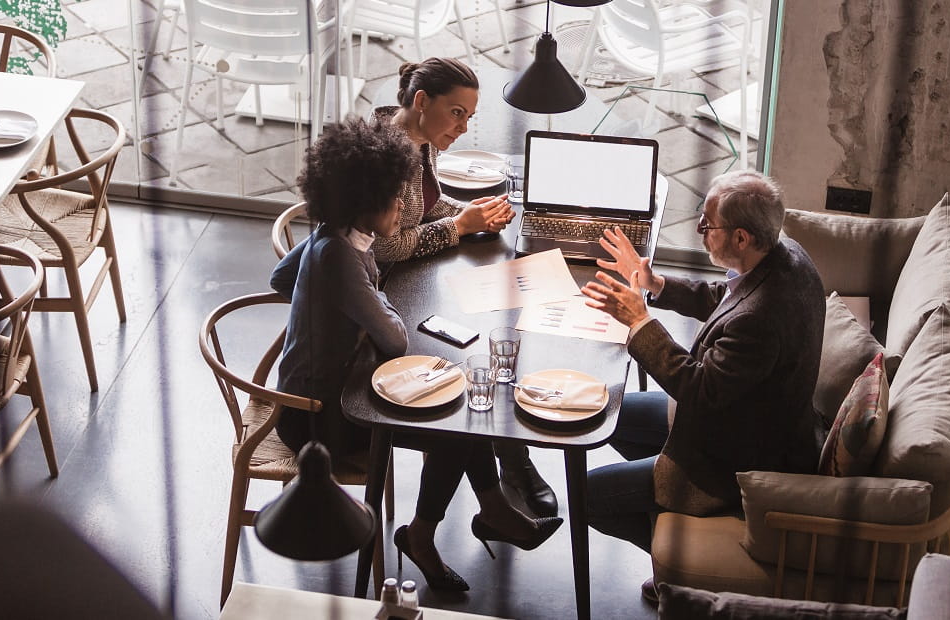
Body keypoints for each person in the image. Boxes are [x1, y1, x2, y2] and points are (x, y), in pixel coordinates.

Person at [269, 118, 560, 593]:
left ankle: (488, 511)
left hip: (322, 385)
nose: (405, 210)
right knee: (453, 425)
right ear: (370, 202)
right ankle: (429, 536)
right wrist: (367, 298)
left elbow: (281, 278)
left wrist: (326, 314)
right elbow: (397, 339)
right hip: (318, 419)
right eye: (397, 200)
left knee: (457, 409)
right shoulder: (342, 257)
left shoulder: (331, 232)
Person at [579, 171, 825, 566]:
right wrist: (655, 284)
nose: (698, 229)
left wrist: (639, 321)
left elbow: (698, 389)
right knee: (606, 412)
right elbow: (726, 299)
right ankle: (657, 494)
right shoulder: (785, 255)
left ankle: (675, 566)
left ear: (741, 237)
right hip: (745, 415)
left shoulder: (760, 320)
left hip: (737, 456)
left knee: (587, 496)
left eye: (708, 224)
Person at [372, 57, 559, 519]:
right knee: (473, 362)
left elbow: (425, 206)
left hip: (407, 281)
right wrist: (460, 227)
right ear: (421, 101)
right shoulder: (385, 158)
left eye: (470, 117)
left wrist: (475, 214)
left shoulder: (418, 139)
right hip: (383, 298)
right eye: (457, 113)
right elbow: (387, 248)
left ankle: (505, 475)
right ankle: (511, 462)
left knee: (488, 339)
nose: (463, 127)